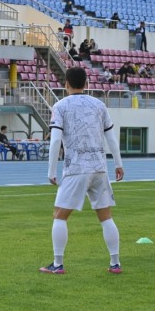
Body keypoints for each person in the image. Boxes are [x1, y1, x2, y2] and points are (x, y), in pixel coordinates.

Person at [40, 66, 124, 275]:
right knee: (106, 216)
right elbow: (111, 138)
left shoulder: (60, 106)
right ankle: (115, 263)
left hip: (76, 168)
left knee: (59, 215)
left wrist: (51, 171)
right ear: (87, 83)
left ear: (66, 84)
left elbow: (56, 140)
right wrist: (118, 164)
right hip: (99, 167)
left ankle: (57, 264)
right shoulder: (99, 105)